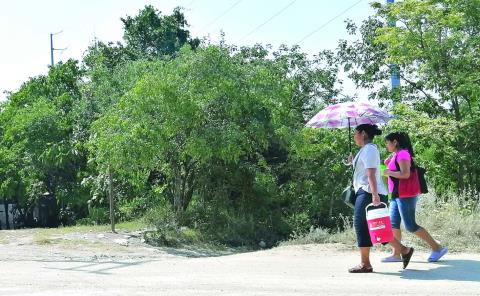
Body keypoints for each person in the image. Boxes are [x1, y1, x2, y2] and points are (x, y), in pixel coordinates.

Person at [348, 124, 414, 273]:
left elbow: (371, 173)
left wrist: (374, 194)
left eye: (356, 133)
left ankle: (365, 264)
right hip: (368, 192)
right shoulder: (365, 150)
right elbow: (363, 172)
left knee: (361, 225)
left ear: (363, 133)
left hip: (368, 193)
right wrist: (352, 161)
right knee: (378, 228)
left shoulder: (370, 149)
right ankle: (404, 250)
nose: (354, 136)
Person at [382, 132, 448, 263]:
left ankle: (437, 248)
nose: (386, 146)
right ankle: (396, 254)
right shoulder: (397, 154)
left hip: (405, 195)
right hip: (396, 195)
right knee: (393, 224)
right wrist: (389, 162)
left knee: (410, 226)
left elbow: (405, 174)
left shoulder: (403, 154)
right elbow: (399, 170)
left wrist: (389, 171)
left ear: (395, 142)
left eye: (387, 143)